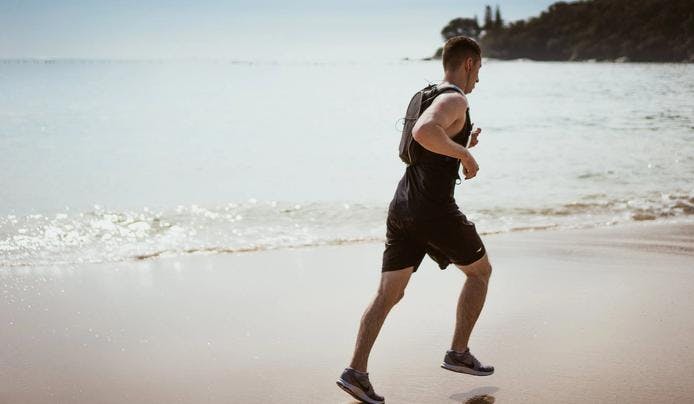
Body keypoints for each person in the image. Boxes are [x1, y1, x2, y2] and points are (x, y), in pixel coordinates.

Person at [336, 36, 493, 404]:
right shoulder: (455, 98)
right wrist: (465, 157)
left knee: (389, 293)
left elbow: (417, 147)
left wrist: (459, 144)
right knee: (480, 272)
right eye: (480, 70)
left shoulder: (425, 94)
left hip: (402, 207)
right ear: (469, 64)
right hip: (433, 210)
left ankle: (355, 372)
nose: (479, 80)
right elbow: (425, 132)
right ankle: (458, 352)